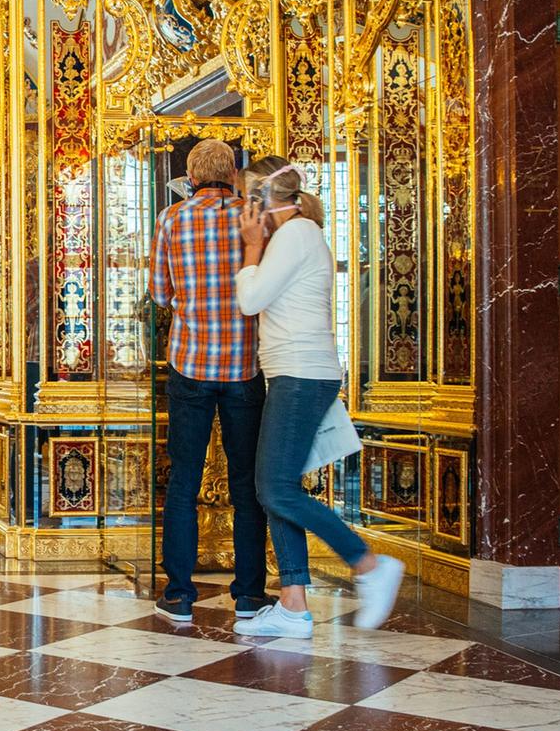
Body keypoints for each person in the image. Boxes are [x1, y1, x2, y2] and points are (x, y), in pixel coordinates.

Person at [231, 159, 404, 636]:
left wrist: (249, 248)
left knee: (275, 488)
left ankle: (367, 564)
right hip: (292, 372)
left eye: (246, 199)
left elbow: (250, 301)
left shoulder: (297, 235)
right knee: (276, 488)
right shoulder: (292, 236)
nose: (243, 211)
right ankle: (292, 606)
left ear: (263, 199)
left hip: (302, 375)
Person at [147, 138, 270, 623]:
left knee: (183, 481)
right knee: (247, 485)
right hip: (245, 366)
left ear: (192, 178)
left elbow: (159, 293)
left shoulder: (172, 219)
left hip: (191, 363)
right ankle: (249, 594)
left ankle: (178, 593)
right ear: (235, 174)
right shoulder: (254, 218)